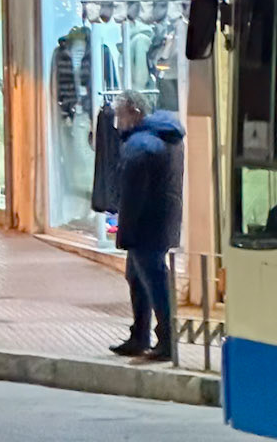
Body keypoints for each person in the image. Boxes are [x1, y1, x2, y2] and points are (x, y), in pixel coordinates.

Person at [109, 88, 185, 363]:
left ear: (135, 113)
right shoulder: (166, 136)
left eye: (121, 114)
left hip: (145, 227)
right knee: (139, 278)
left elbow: (131, 196)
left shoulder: (140, 146)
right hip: (163, 220)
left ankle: (165, 340)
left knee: (153, 281)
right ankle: (140, 336)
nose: (118, 121)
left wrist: (124, 233)